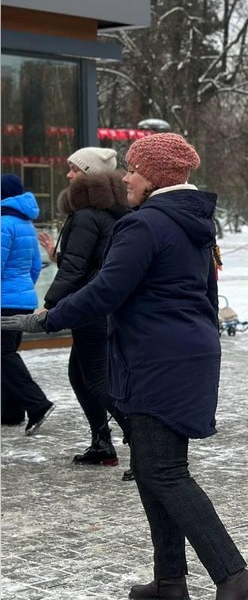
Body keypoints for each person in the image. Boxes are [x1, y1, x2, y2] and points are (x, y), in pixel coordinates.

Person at [1, 133, 248, 600]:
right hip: (180, 353)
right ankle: (170, 580)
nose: (126, 177)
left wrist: (44, 319)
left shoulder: (145, 224)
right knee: (149, 469)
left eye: (135, 170)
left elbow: (105, 291)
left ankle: (233, 575)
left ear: (158, 177)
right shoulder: (193, 222)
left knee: (165, 473)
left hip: (156, 360)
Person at [39, 148, 131, 466]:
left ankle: (143, 445)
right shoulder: (109, 213)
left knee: (97, 380)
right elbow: (89, 262)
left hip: (91, 308)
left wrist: (49, 305)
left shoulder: (85, 215)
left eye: (74, 169)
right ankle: (102, 443)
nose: (68, 175)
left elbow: (76, 268)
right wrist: (57, 255)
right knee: (79, 376)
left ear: (89, 177)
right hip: (99, 306)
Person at [1, 174, 55, 434]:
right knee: (8, 353)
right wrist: (22, 290)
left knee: (4, 354)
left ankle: (38, 404)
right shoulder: (25, 224)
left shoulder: (3, 223)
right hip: (22, 299)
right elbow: (35, 266)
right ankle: (11, 412)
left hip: (4, 300)